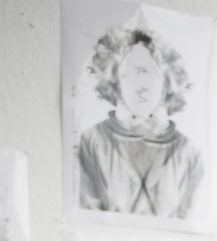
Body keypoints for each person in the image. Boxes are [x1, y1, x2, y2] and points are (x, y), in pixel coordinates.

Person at [77, 26, 203, 219]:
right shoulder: (91, 142)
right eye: (129, 74)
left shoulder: (189, 152)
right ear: (115, 82)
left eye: (148, 73)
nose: (140, 86)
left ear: (167, 82)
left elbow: (192, 225)